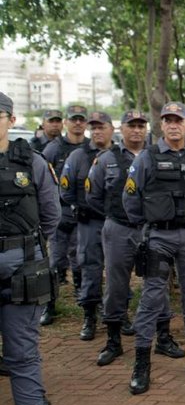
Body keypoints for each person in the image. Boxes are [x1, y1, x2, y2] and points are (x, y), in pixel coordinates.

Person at [123, 101, 185, 394]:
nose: (173, 125)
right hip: (159, 236)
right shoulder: (147, 157)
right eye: (168, 120)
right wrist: (148, 226)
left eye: (178, 120)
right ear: (161, 125)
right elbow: (130, 198)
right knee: (152, 298)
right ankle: (141, 363)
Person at [86, 110, 180, 366]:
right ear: (121, 129)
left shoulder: (157, 155)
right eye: (131, 125)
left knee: (157, 282)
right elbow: (93, 196)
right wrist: (117, 215)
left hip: (152, 230)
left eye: (141, 125)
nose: (137, 130)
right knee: (116, 283)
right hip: (119, 228)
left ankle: (163, 337)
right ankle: (113, 340)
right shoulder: (107, 159)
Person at [0, 92, 60, 405]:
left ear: (11, 119)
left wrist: (23, 250)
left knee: (22, 355)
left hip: (21, 270)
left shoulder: (32, 162)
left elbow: (51, 216)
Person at [59, 110, 115, 341]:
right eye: (95, 127)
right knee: (90, 269)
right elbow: (66, 190)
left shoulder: (120, 155)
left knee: (117, 270)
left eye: (102, 127)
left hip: (116, 223)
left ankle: (117, 314)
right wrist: (82, 208)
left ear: (112, 129)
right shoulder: (78, 156)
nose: (98, 131)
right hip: (89, 222)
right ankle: (89, 315)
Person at [40, 105, 89, 325]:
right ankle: (49, 305)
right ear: (66, 123)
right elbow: (42, 180)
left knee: (82, 259)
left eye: (81, 119)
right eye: (73, 119)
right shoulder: (53, 148)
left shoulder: (91, 148)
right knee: (55, 260)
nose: (77, 123)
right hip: (59, 212)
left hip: (84, 212)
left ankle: (82, 294)